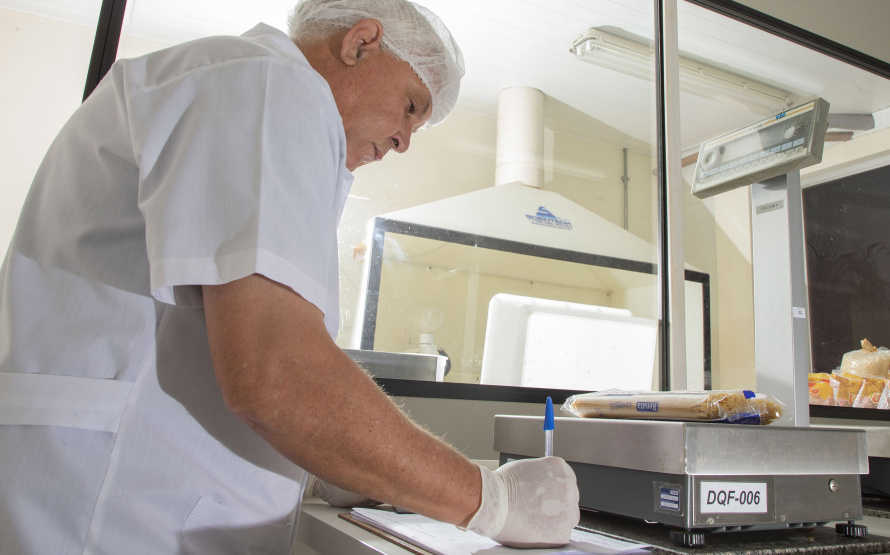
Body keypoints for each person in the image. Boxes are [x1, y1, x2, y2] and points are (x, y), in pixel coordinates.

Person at [0, 0, 580, 553]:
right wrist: (492, 500)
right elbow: (276, 376)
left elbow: (223, 347)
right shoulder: (268, 83)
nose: (404, 141)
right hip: (108, 512)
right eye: (410, 105)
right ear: (361, 43)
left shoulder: (240, 91)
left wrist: (328, 459)